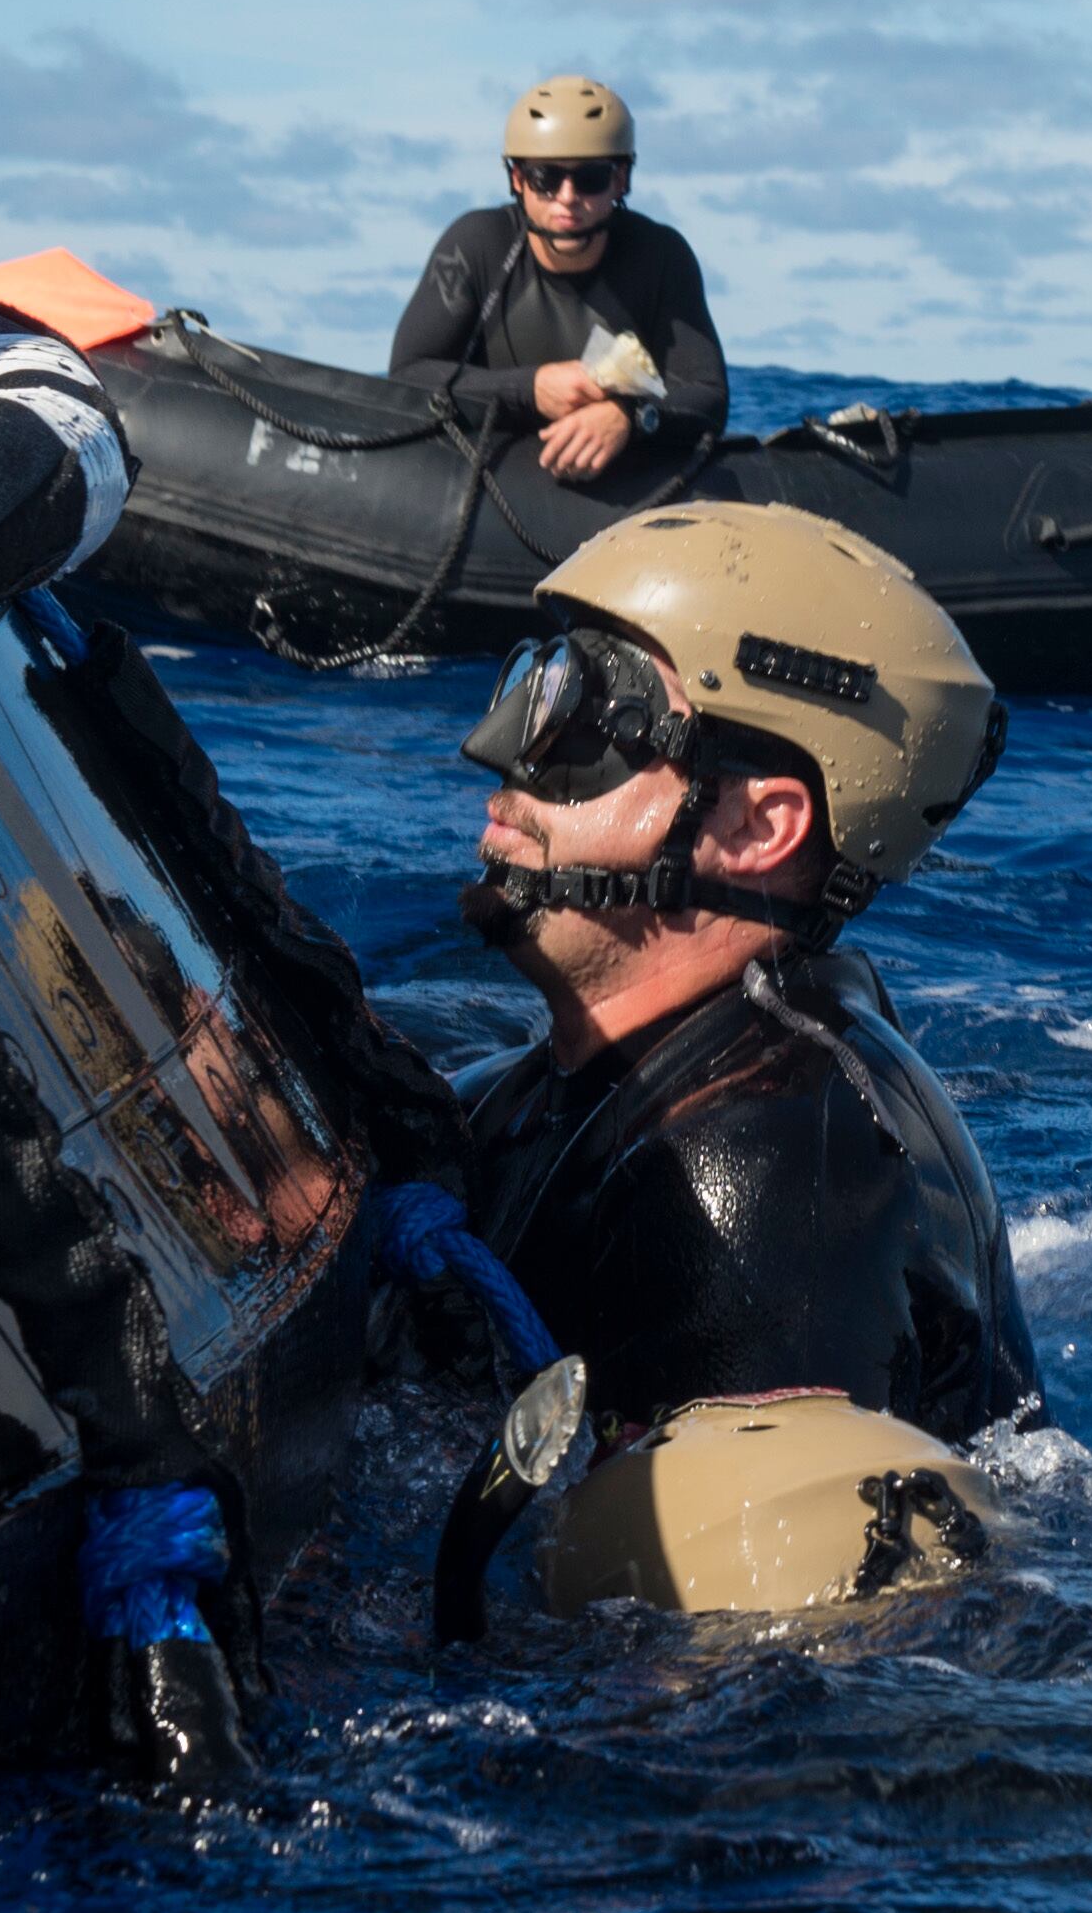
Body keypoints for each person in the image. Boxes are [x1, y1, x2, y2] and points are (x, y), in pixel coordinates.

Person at [445, 502, 1042, 1456]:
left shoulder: (768, 1176)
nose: (502, 749)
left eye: (589, 719)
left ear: (757, 828)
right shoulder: (573, 1087)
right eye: (536, 683)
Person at [386, 75, 729, 482]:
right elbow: (408, 376)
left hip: (628, 480)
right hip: (489, 474)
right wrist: (531, 389)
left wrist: (628, 417)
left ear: (620, 180)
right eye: (545, 178)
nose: (567, 197)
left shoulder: (661, 255)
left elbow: (708, 395)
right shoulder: (475, 244)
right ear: (517, 179)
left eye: (591, 178)